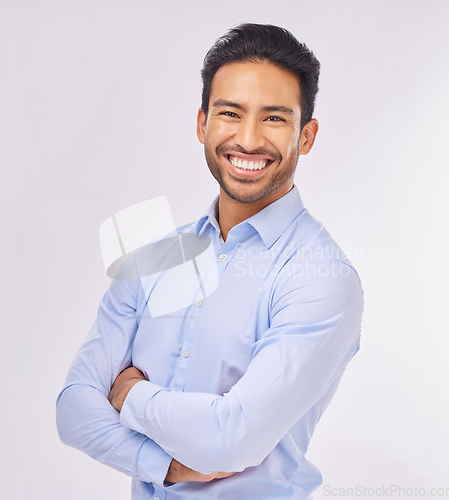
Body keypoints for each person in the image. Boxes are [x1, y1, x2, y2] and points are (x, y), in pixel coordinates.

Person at [57, 23, 363, 500]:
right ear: (202, 123)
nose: (247, 139)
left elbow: (231, 439)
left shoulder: (321, 278)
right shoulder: (155, 260)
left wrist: (129, 395)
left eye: (275, 118)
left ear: (307, 136)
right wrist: (167, 467)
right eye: (230, 113)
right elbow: (73, 410)